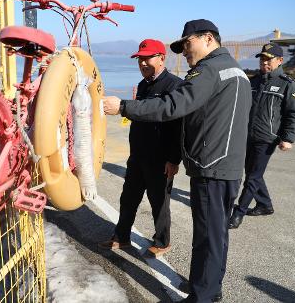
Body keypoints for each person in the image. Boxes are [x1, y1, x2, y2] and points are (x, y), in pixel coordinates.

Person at [103, 19, 252, 303]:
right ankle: (209, 285)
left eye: (187, 43)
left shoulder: (210, 70)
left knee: (207, 234)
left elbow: (174, 106)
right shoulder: (234, 70)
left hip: (212, 165)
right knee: (217, 233)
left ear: (208, 38)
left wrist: (123, 106)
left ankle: (201, 295)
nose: (183, 51)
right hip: (226, 164)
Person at [98, 39, 183, 257]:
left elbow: (177, 127)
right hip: (138, 155)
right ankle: (121, 237)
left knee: (159, 204)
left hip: (160, 158)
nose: (143, 63)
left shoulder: (174, 86)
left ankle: (162, 242)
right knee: (128, 198)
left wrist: (174, 159)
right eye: (140, 59)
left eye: (147, 58)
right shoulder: (145, 84)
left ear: (162, 58)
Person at [228, 43, 295, 229]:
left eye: (268, 59)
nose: (264, 62)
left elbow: (294, 114)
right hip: (247, 135)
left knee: (252, 177)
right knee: (254, 172)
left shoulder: (288, 84)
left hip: (267, 137)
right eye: (262, 58)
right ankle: (265, 205)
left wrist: (288, 139)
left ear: (279, 61)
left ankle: (239, 212)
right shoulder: (253, 82)